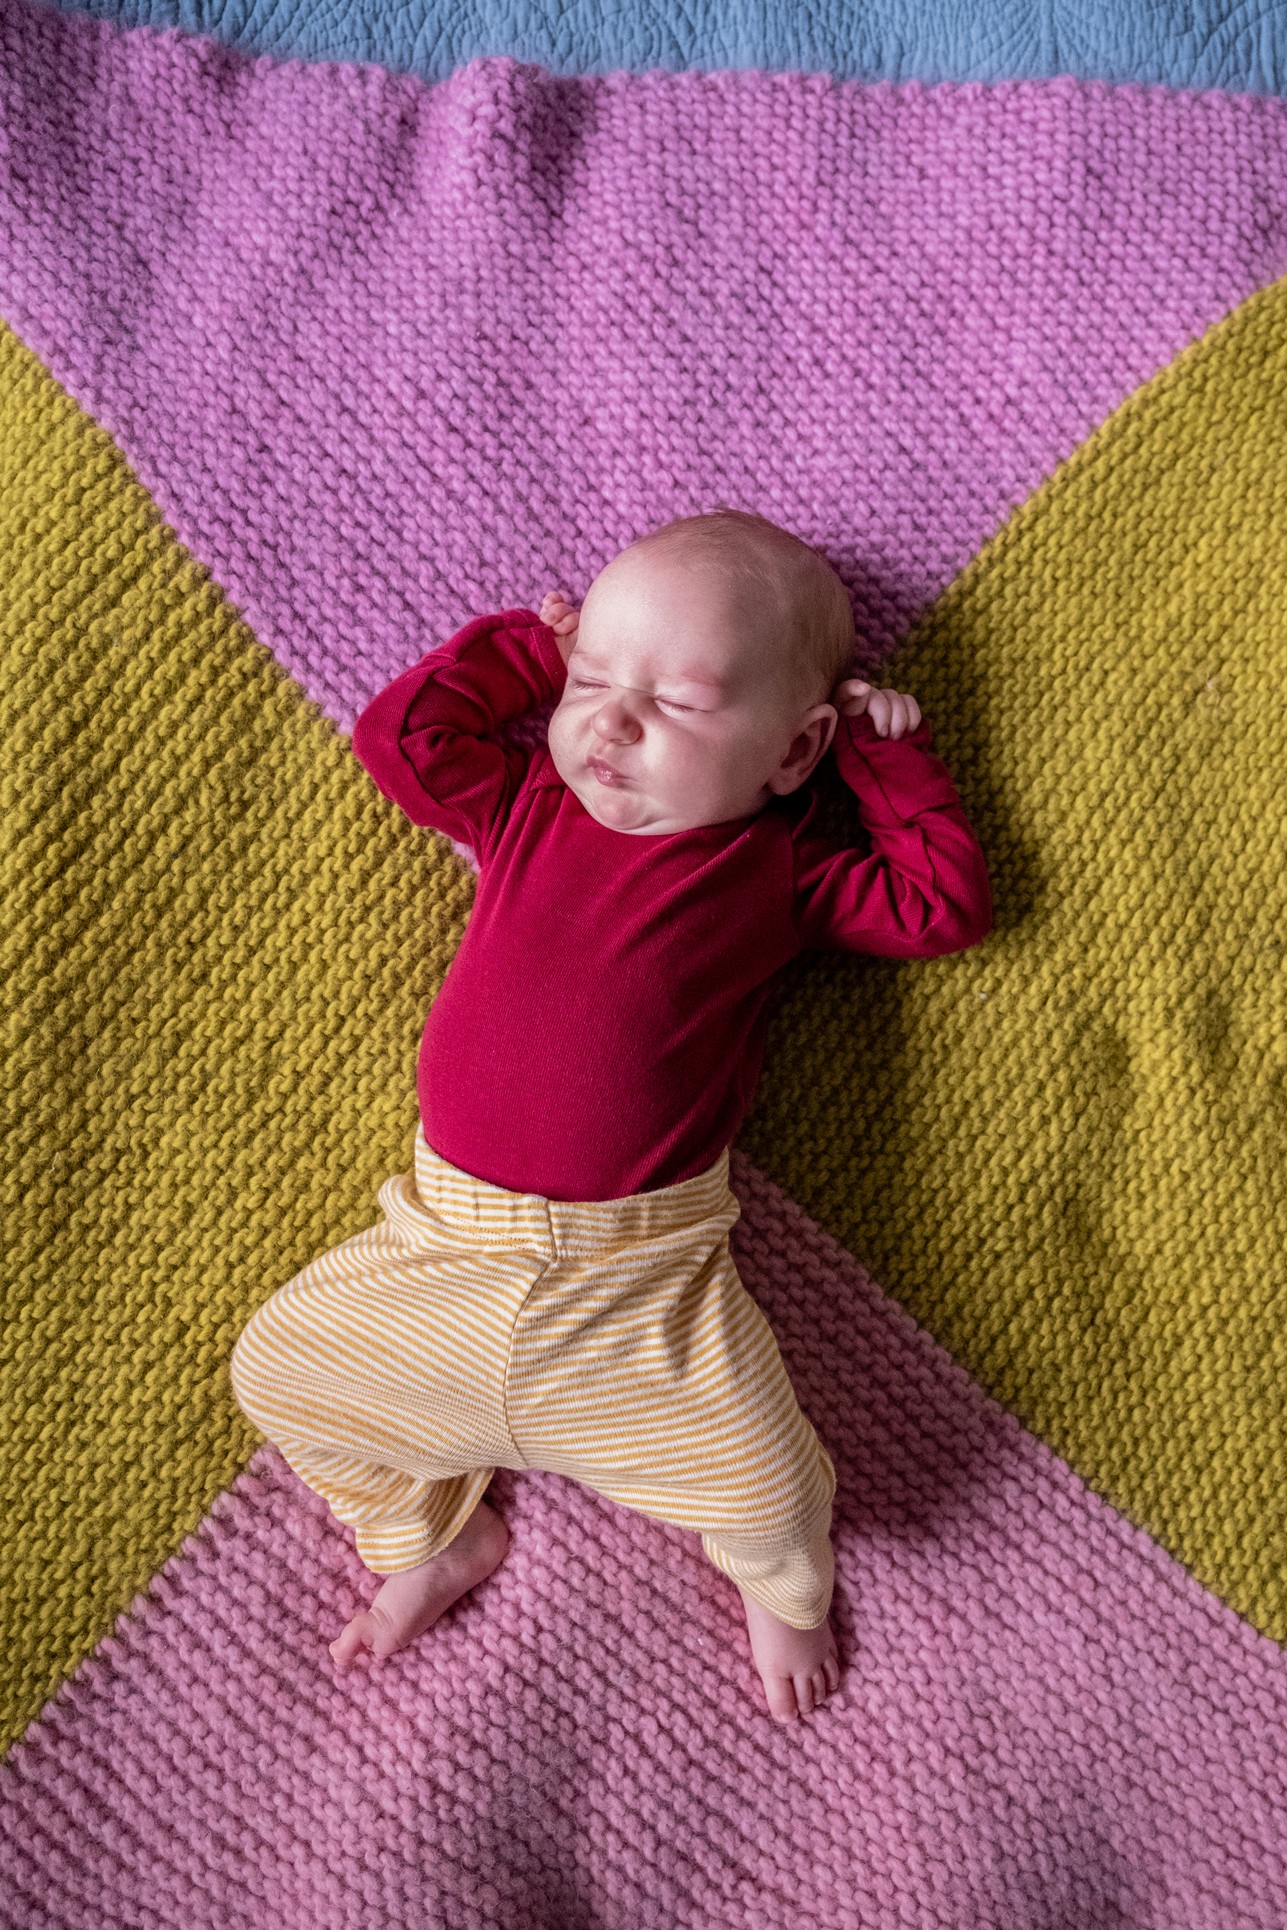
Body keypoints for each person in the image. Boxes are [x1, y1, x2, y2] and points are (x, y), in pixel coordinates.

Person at [230, 508, 992, 1721]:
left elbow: (938, 902)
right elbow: (404, 737)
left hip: (644, 1290)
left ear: (791, 753)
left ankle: (778, 1585)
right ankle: (428, 1535)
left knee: (773, 1476)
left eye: (678, 703)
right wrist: (532, 657)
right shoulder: (528, 806)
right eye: (593, 682)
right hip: (441, 1248)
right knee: (275, 1367)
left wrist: (883, 760)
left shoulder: (780, 867)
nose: (614, 718)